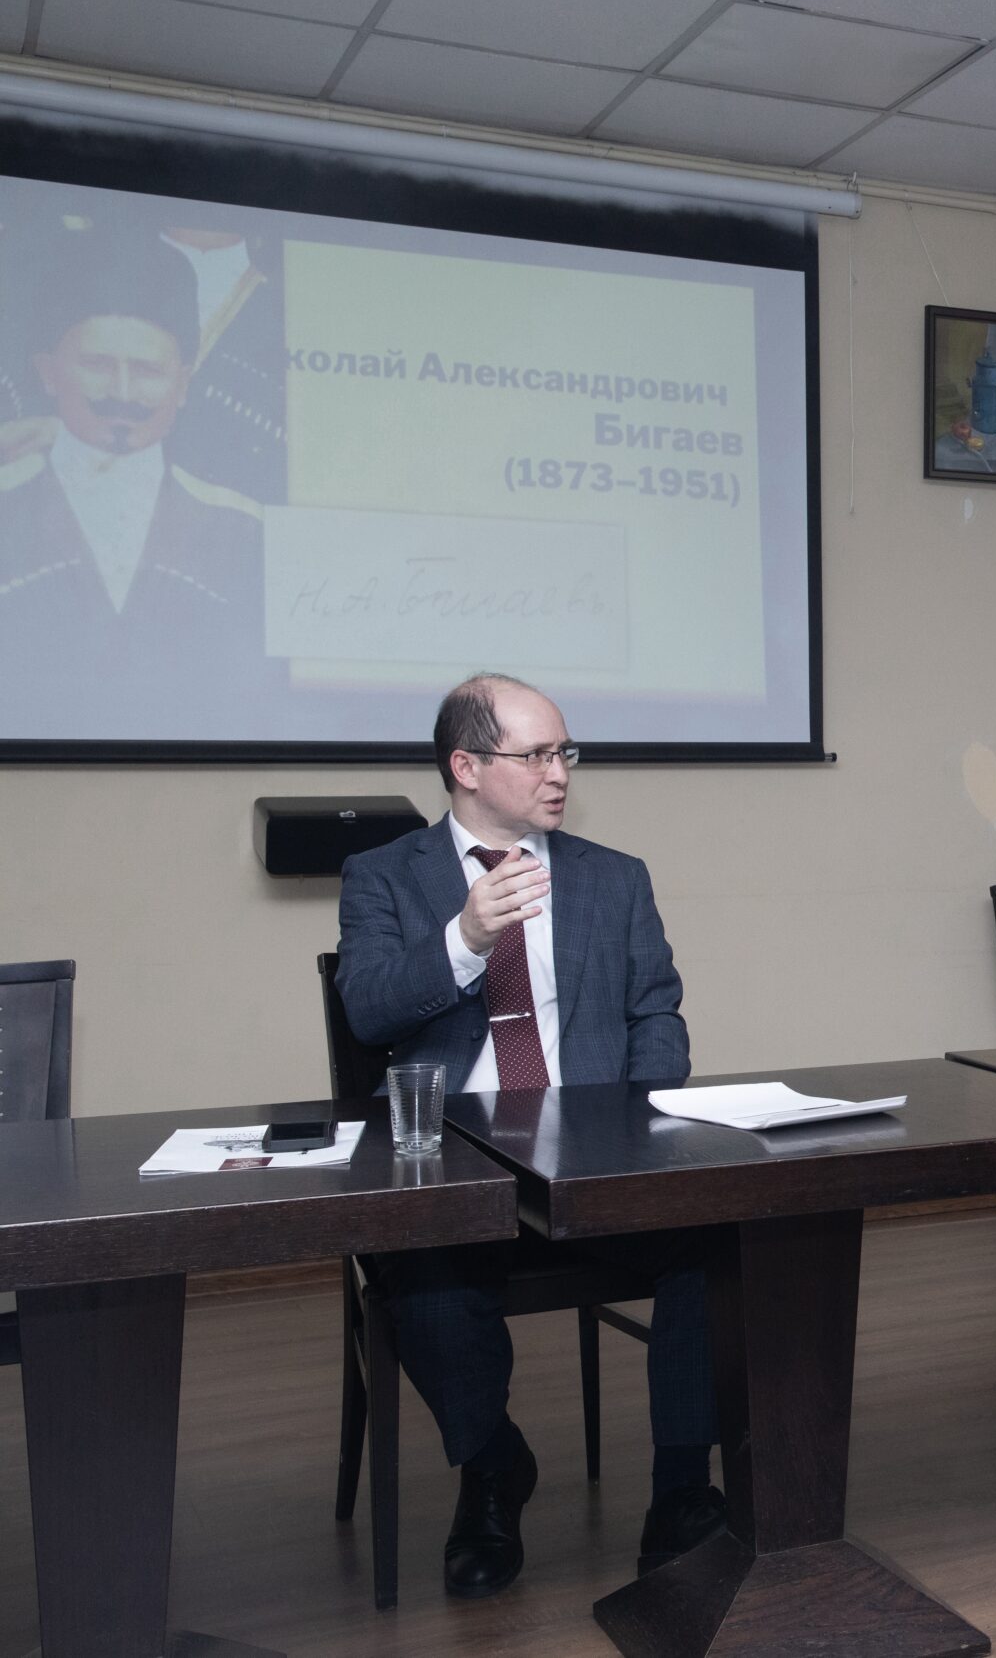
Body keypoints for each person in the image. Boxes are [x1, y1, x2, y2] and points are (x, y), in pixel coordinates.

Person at [335, 673, 724, 1598]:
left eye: (565, 752)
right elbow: (368, 1010)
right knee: (421, 1272)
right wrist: (464, 939)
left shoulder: (613, 876)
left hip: (593, 1153)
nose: (560, 773)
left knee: (716, 1236)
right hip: (457, 1160)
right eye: (538, 754)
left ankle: (681, 1490)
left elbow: (656, 1014)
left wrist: (634, 1122)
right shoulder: (384, 875)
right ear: (466, 766)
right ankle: (493, 1468)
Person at [0, 229, 273, 733]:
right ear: (48, 373)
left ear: (183, 383)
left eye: (147, 370)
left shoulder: (242, 529)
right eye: (98, 365)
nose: (123, 393)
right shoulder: (9, 504)